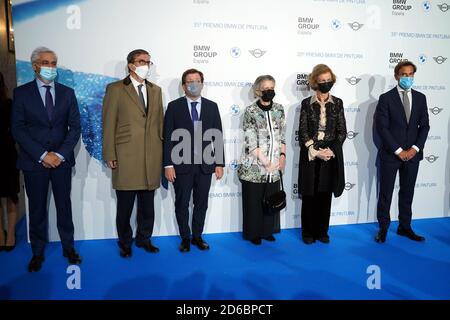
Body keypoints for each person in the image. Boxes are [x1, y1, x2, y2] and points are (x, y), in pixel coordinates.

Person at [11, 47, 81, 271]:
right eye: (46, 62)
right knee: (38, 209)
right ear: (34, 66)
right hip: (34, 163)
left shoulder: (67, 93)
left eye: (53, 63)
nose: (51, 67)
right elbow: (18, 129)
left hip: (61, 162)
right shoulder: (21, 93)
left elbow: (75, 128)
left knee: (64, 206)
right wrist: (42, 155)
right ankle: (37, 252)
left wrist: (59, 154)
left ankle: (68, 247)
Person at [103, 49, 164, 258]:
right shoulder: (116, 89)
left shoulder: (156, 91)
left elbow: (160, 125)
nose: (146, 65)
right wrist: (109, 152)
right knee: (125, 207)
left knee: (148, 206)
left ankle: (144, 239)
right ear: (131, 65)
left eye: (148, 62)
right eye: (141, 61)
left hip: (151, 157)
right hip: (126, 156)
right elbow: (108, 123)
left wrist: (163, 156)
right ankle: (125, 242)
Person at [164, 68, 224, 252]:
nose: (193, 84)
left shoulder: (212, 106)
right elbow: (167, 137)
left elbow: (218, 136)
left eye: (197, 80)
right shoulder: (174, 107)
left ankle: (197, 236)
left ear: (202, 83)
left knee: (201, 203)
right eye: (189, 81)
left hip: (206, 165)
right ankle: (185, 237)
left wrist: (220, 163)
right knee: (182, 204)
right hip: (180, 165)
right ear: (184, 86)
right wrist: (168, 164)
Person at [374, 61, 430, 243]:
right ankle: (383, 228)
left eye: (411, 74)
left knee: (407, 192)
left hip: (413, 155)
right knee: (386, 193)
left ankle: (405, 227)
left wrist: (414, 149)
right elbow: (382, 128)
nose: (408, 78)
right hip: (391, 154)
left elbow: (424, 126)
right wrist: (399, 150)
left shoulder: (421, 98)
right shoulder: (386, 98)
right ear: (397, 76)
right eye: (404, 74)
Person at [298, 64, 347, 245]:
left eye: (328, 80)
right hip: (311, 153)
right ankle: (308, 232)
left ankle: (322, 231)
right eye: (322, 81)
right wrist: (315, 150)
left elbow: (342, 131)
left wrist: (331, 150)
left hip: (330, 153)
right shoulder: (306, 104)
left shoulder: (338, 103)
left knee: (325, 194)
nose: (326, 84)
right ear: (315, 82)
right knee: (310, 195)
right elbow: (302, 131)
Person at [237, 75, 285, 245]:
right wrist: (266, 162)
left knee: (270, 200)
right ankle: (253, 233)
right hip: (254, 167)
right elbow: (251, 141)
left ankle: (267, 231)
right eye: (265, 88)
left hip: (274, 168)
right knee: (254, 201)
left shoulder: (279, 109)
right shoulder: (250, 111)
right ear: (258, 91)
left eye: (272, 87)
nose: (269, 90)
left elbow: (282, 137)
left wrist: (282, 156)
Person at [0, 71, 19, 252]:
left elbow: (15, 129)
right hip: (7, 153)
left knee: (11, 195)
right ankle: (1, 234)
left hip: (6, 155)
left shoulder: (8, 104)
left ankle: (11, 235)